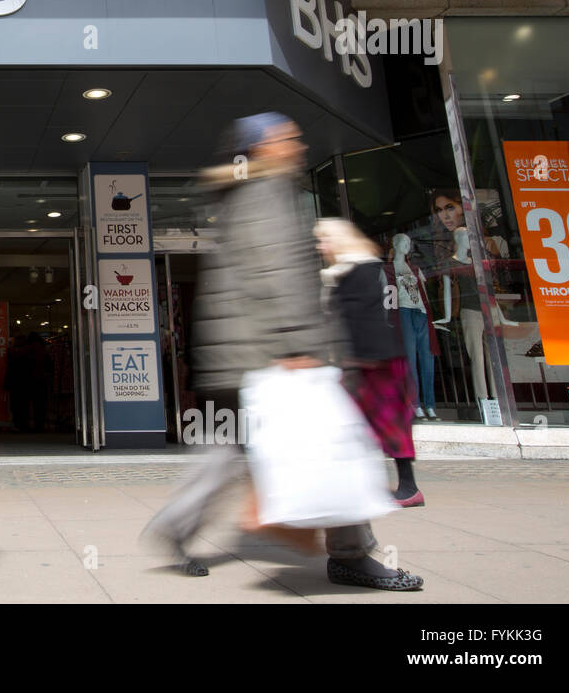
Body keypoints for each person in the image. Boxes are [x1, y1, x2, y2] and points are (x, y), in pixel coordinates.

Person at [140, 112, 423, 591]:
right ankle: (352, 553)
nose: (299, 145)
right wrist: (297, 343)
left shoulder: (248, 192)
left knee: (233, 451)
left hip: (248, 352)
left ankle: (178, 524)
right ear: (263, 147)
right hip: (271, 352)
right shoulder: (265, 192)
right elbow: (275, 269)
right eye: (288, 138)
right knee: (329, 444)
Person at [315, 218, 423, 508]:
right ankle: (393, 486)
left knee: (385, 424)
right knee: (368, 425)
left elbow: (359, 318)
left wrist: (348, 361)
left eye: (324, 239)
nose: (320, 245)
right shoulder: (345, 271)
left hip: (375, 362)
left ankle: (407, 487)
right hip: (367, 360)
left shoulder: (359, 269)